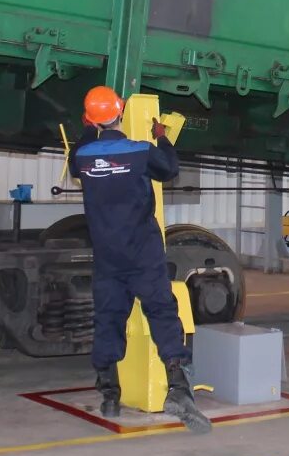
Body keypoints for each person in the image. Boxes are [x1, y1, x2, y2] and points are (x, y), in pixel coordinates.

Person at [71, 86, 210, 434]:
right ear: (120, 113)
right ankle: (178, 387)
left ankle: (109, 393)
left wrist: (88, 127)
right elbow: (170, 169)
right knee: (162, 312)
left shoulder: (83, 158)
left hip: (107, 255)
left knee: (108, 317)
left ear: (91, 119)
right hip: (143, 251)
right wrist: (162, 137)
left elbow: (81, 147)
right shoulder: (140, 151)